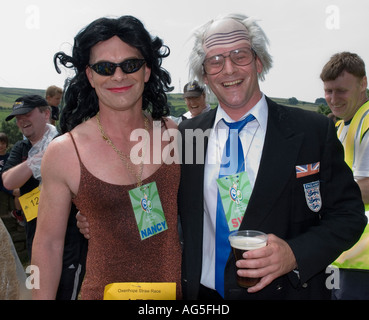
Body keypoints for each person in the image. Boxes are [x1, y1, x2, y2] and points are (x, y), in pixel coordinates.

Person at [177, 13, 366, 300]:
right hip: (204, 297)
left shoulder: (313, 131)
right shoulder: (186, 135)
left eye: (240, 55)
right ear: (204, 75)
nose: (228, 69)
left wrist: (294, 254)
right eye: (215, 60)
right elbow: (160, 204)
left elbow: (349, 215)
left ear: (259, 62)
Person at [31, 15, 182, 300]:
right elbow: (48, 244)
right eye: (104, 67)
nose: (118, 76)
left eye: (130, 65)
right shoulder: (65, 152)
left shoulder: (172, 134)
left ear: (147, 71)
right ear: (90, 76)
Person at [2, 95, 87, 300]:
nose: (22, 121)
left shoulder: (67, 143)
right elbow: (8, 181)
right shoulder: (21, 149)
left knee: (66, 293)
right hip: (36, 237)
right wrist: (37, 160)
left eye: (27, 114)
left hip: (69, 238)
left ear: (46, 113)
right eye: (17, 117)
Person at [321, 52, 369, 299]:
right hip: (344, 255)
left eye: (341, 90)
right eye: (328, 91)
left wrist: (317, 196)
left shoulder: (367, 121)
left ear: (363, 84)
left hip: (363, 261)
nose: (332, 98)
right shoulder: (340, 125)